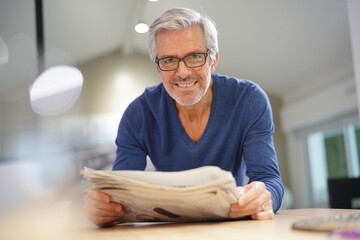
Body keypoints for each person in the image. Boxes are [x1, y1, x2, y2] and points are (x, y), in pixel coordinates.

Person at [83, 7, 284, 227]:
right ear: (158, 68)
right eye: (169, 61)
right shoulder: (137, 115)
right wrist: (104, 207)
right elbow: (120, 193)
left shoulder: (249, 100)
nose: (183, 72)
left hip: (231, 225)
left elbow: (269, 180)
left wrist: (264, 197)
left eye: (195, 57)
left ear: (213, 60)